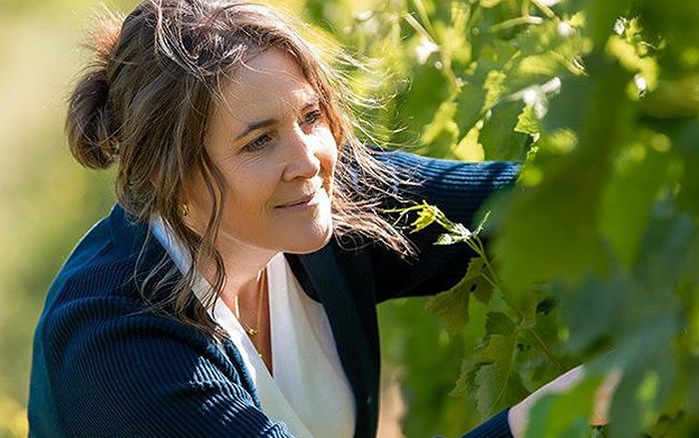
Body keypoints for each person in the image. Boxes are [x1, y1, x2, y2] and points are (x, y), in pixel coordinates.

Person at [26, 1, 610, 437]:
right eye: (259, 143)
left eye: (310, 116)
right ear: (167, 175)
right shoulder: (114, 342)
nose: (308, 161)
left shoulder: (321, 205)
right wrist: (570, 404)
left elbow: (527, 205)